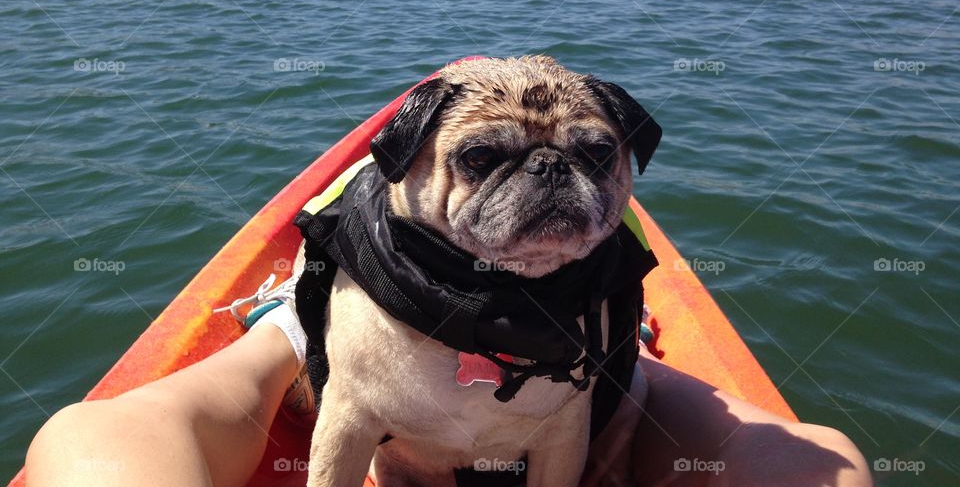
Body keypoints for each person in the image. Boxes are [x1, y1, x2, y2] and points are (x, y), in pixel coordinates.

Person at [25, 274, 873, 487]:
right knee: (812, 459)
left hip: (565, 374)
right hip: (579, 352)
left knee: (89, 433)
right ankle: (616, 340)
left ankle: (296, 318)